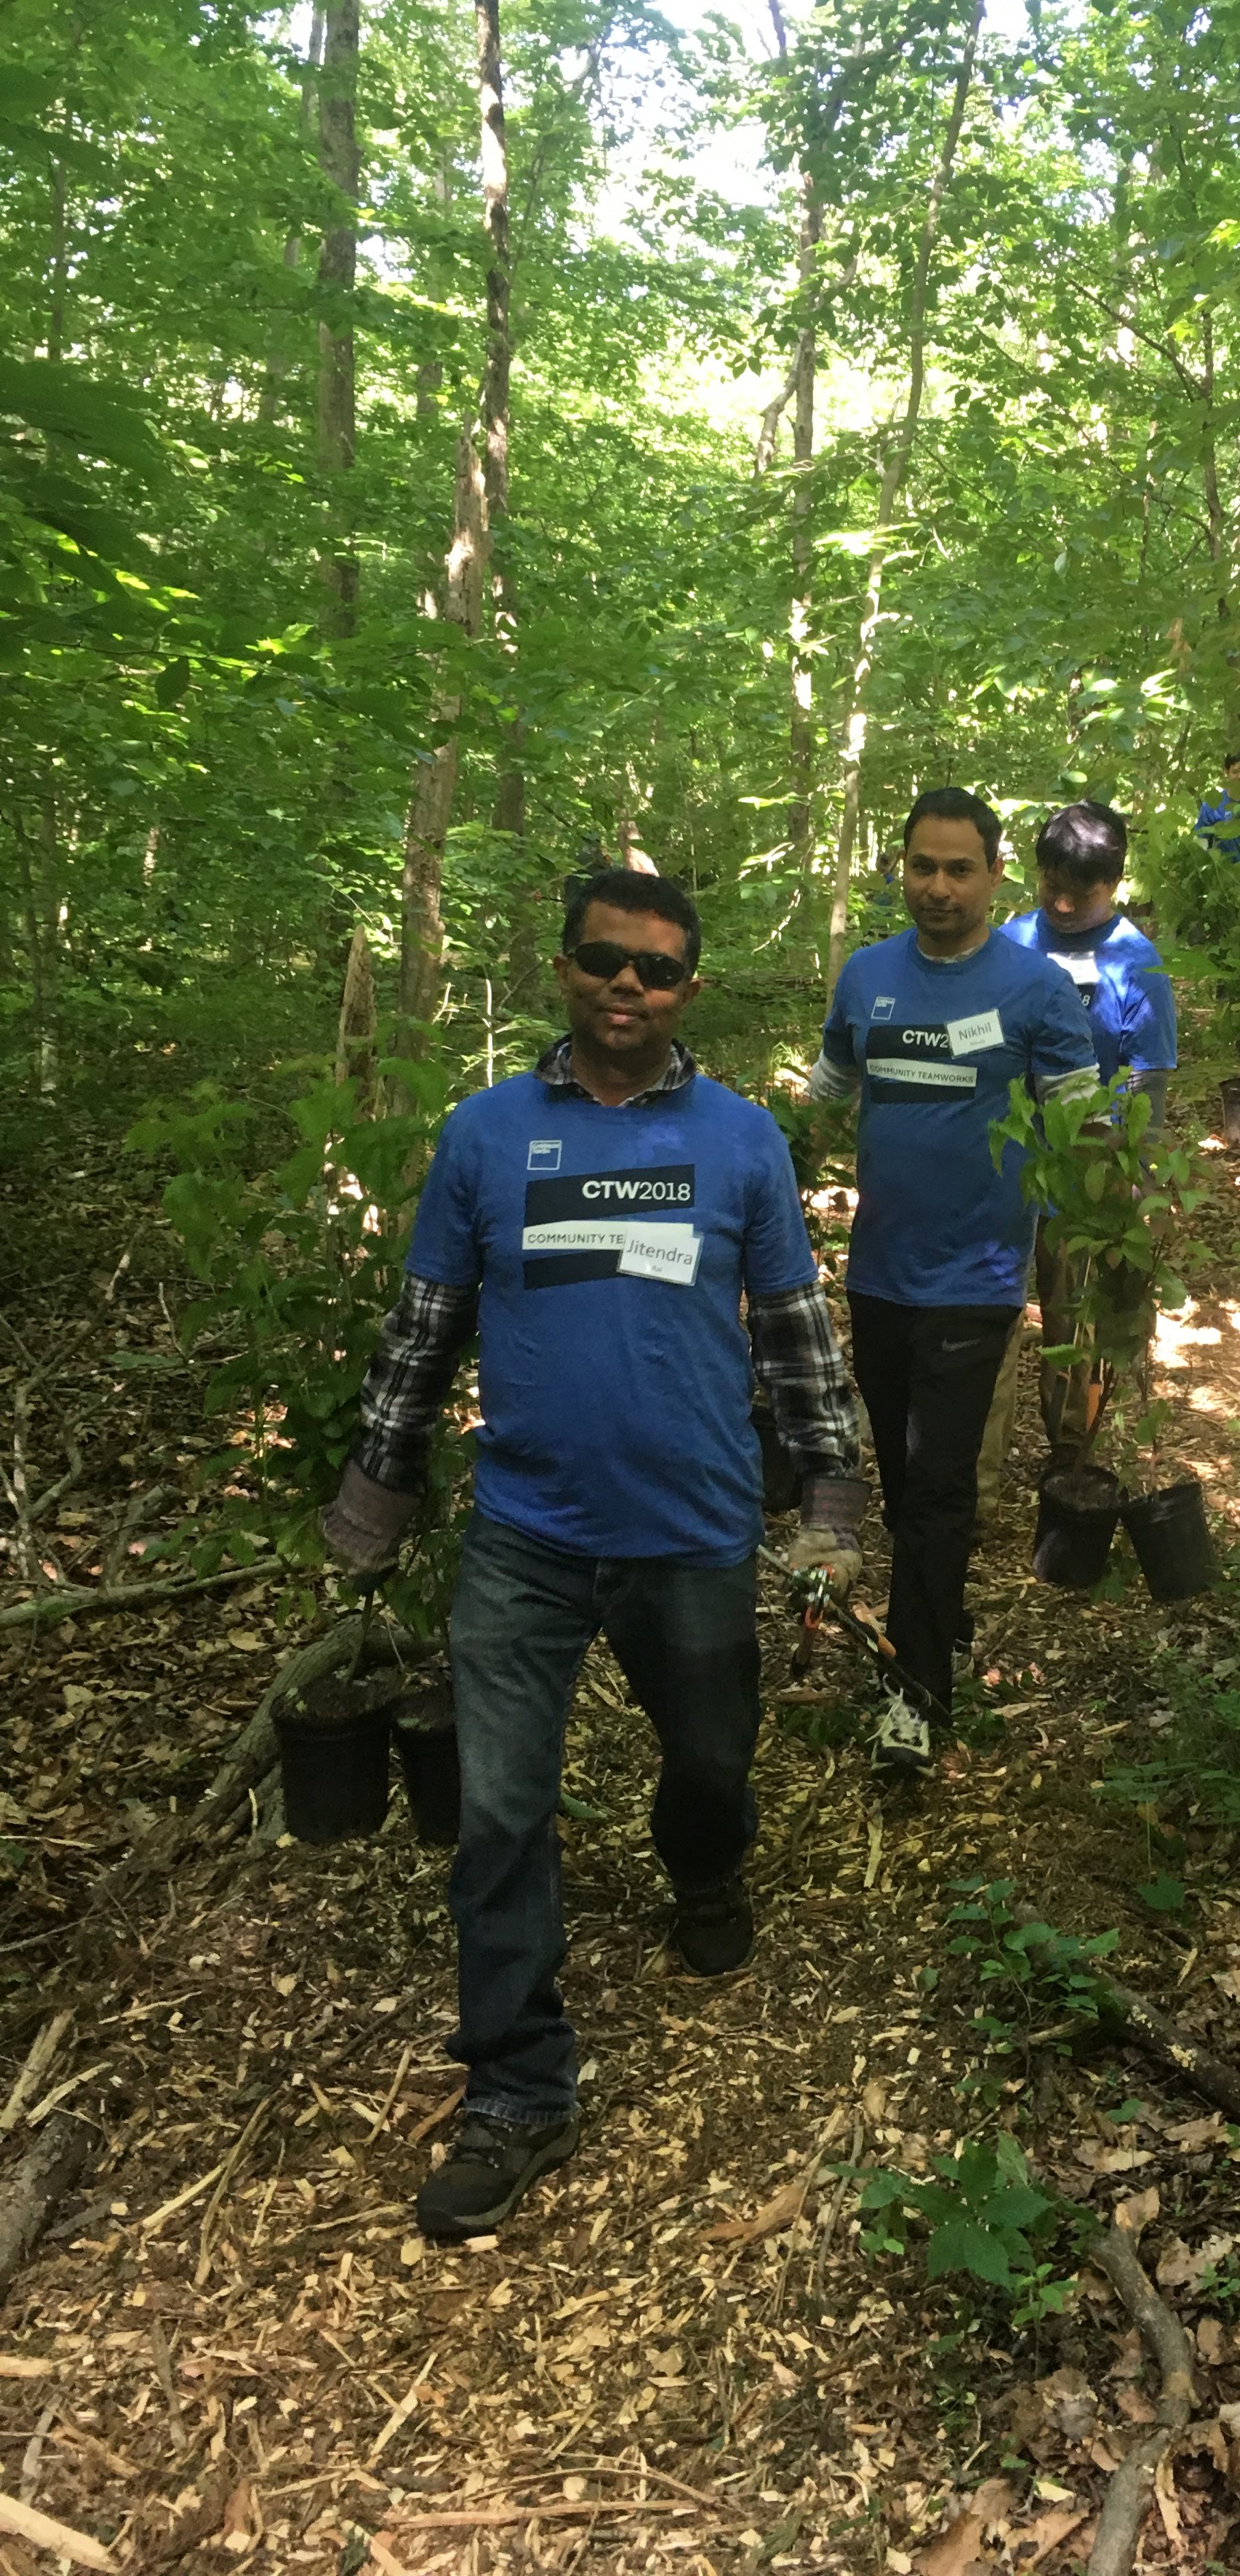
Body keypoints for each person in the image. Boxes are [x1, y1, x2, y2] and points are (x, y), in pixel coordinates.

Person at [319, 868, 865, 2241]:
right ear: (564, 968)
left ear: (690, 988)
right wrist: (373, 1500)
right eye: (605, 960)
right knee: (500, 1812)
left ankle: (707, 1870)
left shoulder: (742, 1142)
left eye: (660, 968)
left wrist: (830, 1506)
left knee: (709, 1766)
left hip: (691, 1531)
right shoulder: (487, 1136)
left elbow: (796, 1333)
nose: (630, 985)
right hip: (527, 1538)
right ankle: (516, 2088)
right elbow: (425, 1327)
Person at [811, 787, 1099, 1773]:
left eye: (959, 869)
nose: (939, 886)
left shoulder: (1034, 990)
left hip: (976, 1277)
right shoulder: (866, 978)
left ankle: (914, 1694)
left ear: (993, 875)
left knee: (937, 1487)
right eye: (922, 866)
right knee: (900, 1475)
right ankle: (940, 1618)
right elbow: (830, 1093)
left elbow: (1080, 1121)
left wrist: (1110, 1217)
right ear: (903, 869)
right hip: (880, 1272)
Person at [996, 799, 1178, 1451]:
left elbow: (1144, 1082)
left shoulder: (1136, 963)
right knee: (987, 1319)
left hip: (1085, 1181)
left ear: (1115, 882)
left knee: (1073, 1330)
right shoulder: (1010, 944)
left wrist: (1130, 1177)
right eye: (1052, 888)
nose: (1064, 907)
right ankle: (975, 1474)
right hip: (1004, 1171)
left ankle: (1072, 1458)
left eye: (1082, 893)